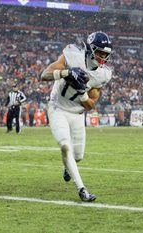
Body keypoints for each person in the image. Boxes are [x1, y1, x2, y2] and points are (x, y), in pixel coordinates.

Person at [40, 31, 113, 202]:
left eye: (106, 54)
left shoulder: (103, 74)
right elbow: (44, 75)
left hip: (77, 114)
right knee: (65, 146)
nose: (103, 57)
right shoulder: (72, 55)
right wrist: (66, 73)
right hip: (58, 108)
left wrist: (82, 93)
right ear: (89, 48)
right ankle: (82, 189)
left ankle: (68, 166)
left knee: (78, 156)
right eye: (100, 52)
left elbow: (91, 104)